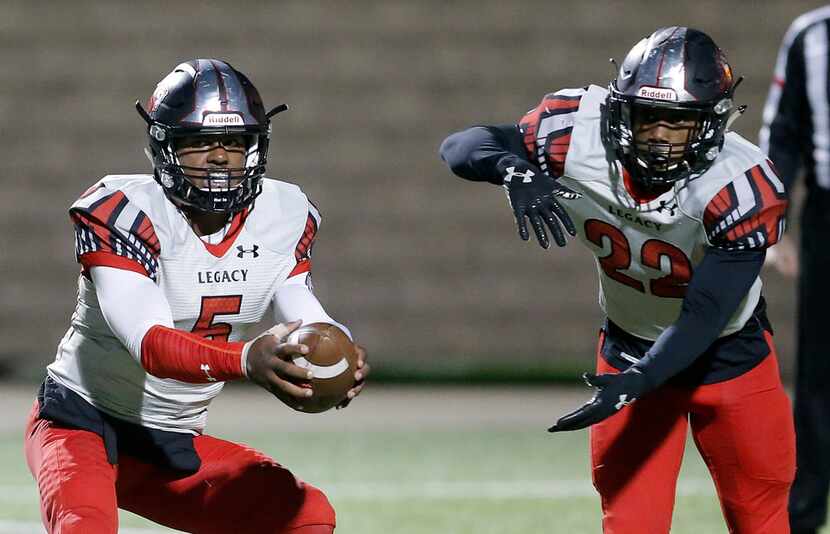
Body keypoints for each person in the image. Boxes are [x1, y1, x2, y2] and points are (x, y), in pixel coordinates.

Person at [440, 27, 795, 533]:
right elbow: (461, 145)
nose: (659, 134)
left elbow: (705, 313)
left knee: (760, 520)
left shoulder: (740, 186)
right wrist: (513, 171)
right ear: (620, 109)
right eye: (647, 116)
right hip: (628, 346)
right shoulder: (578, 135)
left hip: (728, 357)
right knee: (630, 523)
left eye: (679, 121)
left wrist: (639, 382)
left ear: (711, 122)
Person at [23, 59, 369, 534]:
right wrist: (247, 359)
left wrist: (340, 350)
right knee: (86, 527)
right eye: (198, 142)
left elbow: (305, 313)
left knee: (304, 515)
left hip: (169, 440)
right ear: (164, 147)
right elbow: (150, 343)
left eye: (234, 141)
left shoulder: (285, 211)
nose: (220, 156)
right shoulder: (120, 210)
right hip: (81, 422)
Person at [761, 6, 830, 534]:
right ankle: (804, 517)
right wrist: (773, 220)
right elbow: (781, 132)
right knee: (818, 376)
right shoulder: (811, 36)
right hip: (828, 212)